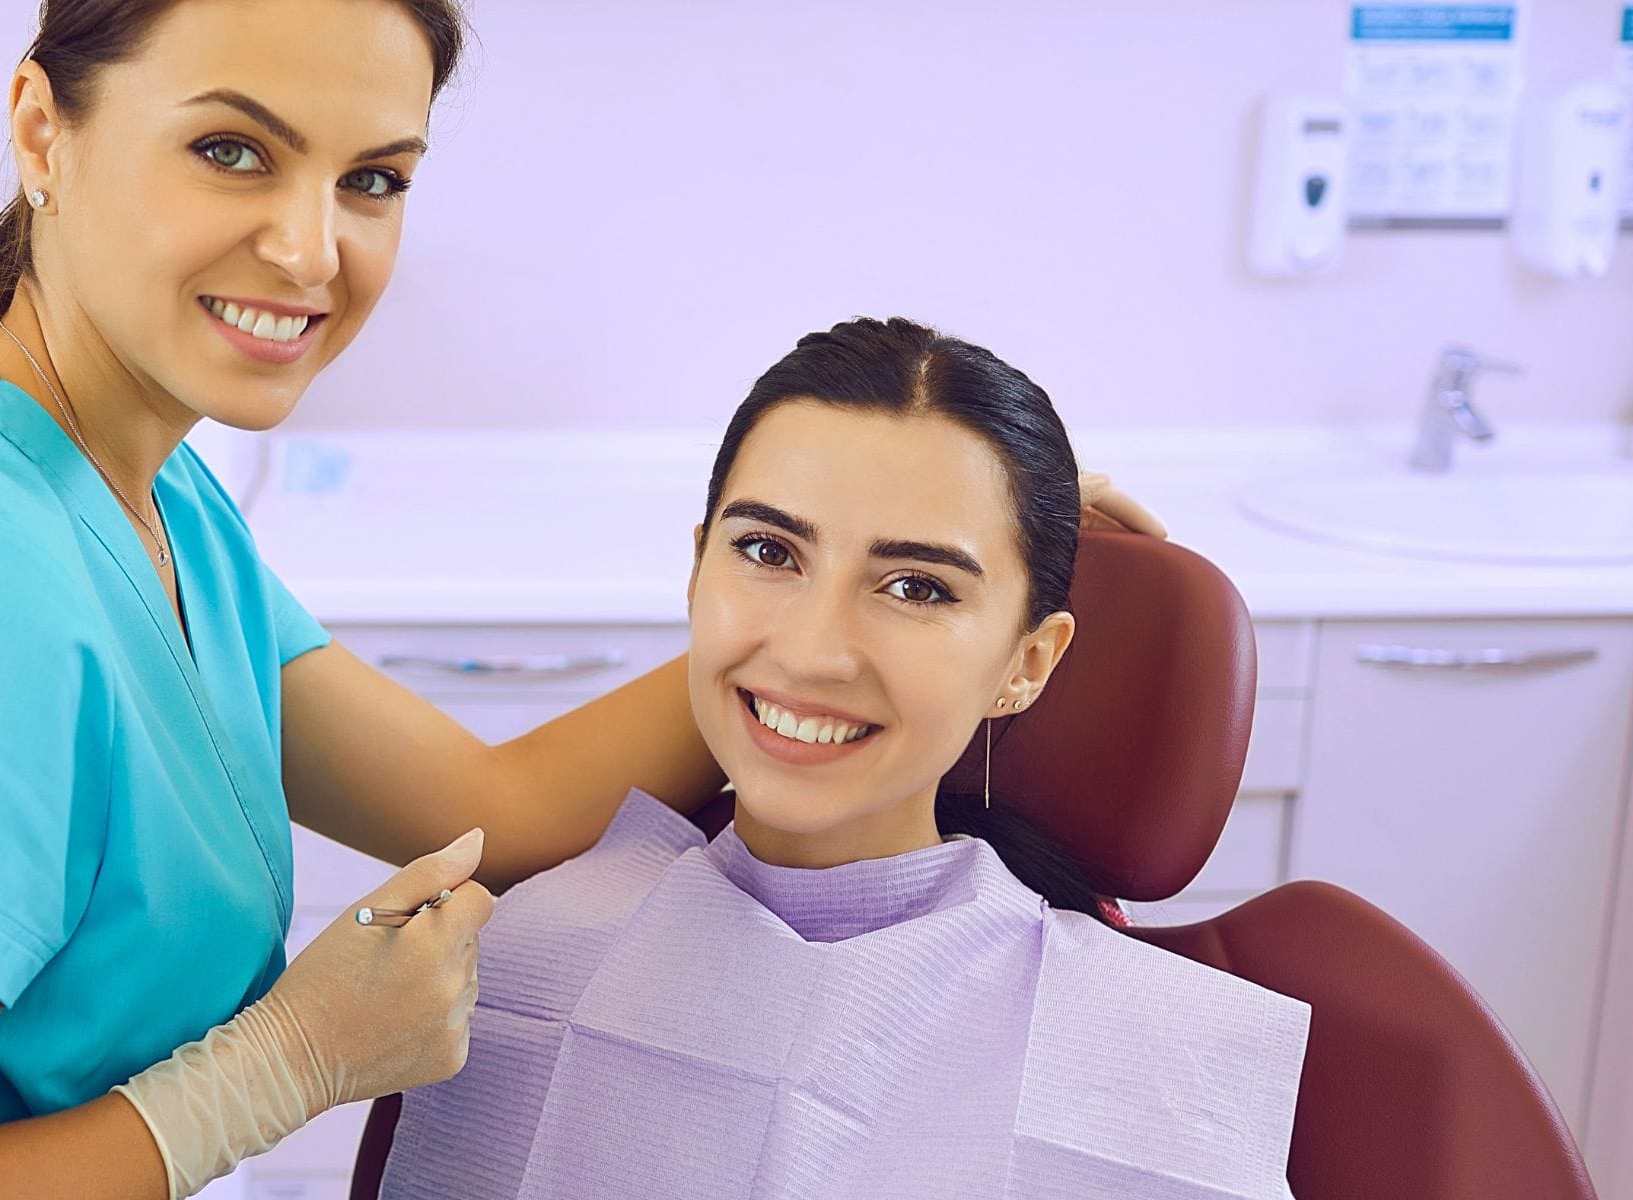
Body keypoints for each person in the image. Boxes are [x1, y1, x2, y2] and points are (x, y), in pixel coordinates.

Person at [0, 3, 1166, 1197]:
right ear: (45, 127)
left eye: (372, 178)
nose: (313, 249)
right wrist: (272, 1073)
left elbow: (491, 802)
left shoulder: (136, 489)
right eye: (234, 151)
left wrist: (802, 622)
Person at [379, 318, 1308, 1200]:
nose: (814, 652)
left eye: (916, 586)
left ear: (1027, 663)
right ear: (697, 570)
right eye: (767, 551)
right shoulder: (497, 963)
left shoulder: (1157, 1070)